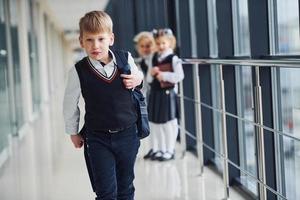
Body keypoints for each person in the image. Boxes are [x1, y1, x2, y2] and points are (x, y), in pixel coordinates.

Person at [63, 10, 143, 200]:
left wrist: (136, 80)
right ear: (81, 41)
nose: (95, 45)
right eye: (89, 40)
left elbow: (139, 77)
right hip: (97, 138)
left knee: (126, 187)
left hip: (128, 135)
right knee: (105, 191)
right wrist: (73, 131)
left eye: (101, 39)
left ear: (111, 39)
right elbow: (69, 103)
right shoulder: (79, 70)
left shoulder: (126, 59)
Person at [145, 28, 184, 161]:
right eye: (158, 43)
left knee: (168, 123)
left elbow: (180, 76)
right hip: (155, 93)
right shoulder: (154, 57)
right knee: (156, 123)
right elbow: (149, 80)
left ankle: (170, 150)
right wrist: (152, 73)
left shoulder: (174, 58)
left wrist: (164, 75)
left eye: (163, 43)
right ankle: (161, 149)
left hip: (167, 94)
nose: (161, 46)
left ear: (170, 43)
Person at [133, 31, 157, 159]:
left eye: (148, 46)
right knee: (151, 122)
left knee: (158, 123)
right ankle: (153, 148)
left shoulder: (156, 59)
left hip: (159, 93)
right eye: (142, 46)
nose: (145, 49)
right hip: (148, 94)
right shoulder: (141, 61)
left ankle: (160, 149)